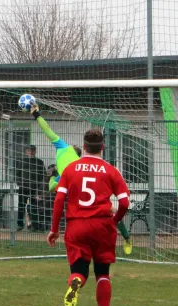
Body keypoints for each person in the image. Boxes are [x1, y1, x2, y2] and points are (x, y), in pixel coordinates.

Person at [47, 128, 130, 306]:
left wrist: (54, 230)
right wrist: (115, 220)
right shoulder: (111, 170)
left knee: (79, 270)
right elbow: (125, 202)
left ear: (83, 147)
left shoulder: (71, 169)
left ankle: (75, 281)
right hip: (102, 226)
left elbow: (59, 200)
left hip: (77, 226)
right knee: (102, 274)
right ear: (103, 147)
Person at [30, 104, 133, 255]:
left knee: (92, 212)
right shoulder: (71, 158)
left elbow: (47, 130)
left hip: (77, 186)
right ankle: (126, 237)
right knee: (111, 210)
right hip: (78, 187)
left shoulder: (63, 149)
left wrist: (37, 114)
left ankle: (80, 261)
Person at [14, 144, 46, 231]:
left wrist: (39, 189)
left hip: (35, 189)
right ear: (26, 152)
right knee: (21, 206)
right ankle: (20, 224)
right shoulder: (21, 161)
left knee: (34, 207)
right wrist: (20, 183)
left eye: (32, 150)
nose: (31, 152)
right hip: (23, 188)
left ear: (35, 151)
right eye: (29, 150)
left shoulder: (39, 162)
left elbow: (43, 176)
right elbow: (17, 174)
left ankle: (34, 226)